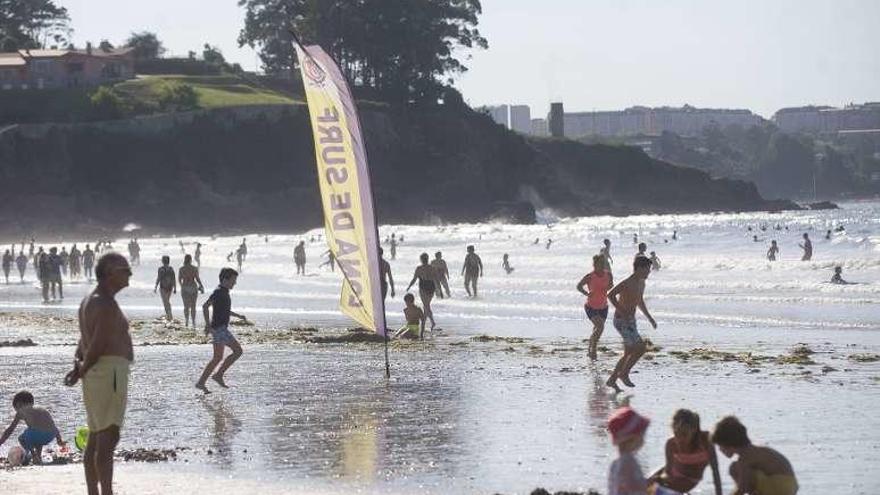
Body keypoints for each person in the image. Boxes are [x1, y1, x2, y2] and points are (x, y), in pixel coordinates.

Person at [63, 252, 134, 495]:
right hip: (109, 371)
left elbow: (85, 341)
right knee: (109, 435)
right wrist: (81, 369)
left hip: (98, 371)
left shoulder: (90, 300)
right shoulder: (104, 302)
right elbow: (98, 343)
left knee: (96, 434)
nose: (130, 274)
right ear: (109, 272)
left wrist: (78, 366)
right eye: (125, 270)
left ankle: (94, 492)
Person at [605, 256, 657, 393]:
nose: (648, 273)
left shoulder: (641, 283)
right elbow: (610, 295)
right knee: (640, 348)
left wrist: (650, 318)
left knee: (629, 352)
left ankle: (612, 379)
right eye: (647, 270)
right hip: (621, 320)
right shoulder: (628, 282)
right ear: (639, 268)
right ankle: (623, 374)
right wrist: (622, 311)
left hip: (630, 320)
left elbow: (639, 301)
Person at [711, 416, 798, 495]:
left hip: (779, 486)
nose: (719, 450)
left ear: (728, 444)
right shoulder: (757, 451)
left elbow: (742, 488)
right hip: (790, 485)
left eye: (720, 446)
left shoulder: (745, 457)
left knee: (734, 468)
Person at [196, 268, 247, 394]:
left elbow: (224, 310)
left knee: (218, 357)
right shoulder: (218, 292)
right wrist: (207, 325)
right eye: (233, 280)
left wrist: (238, 316)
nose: (234, 283)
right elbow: (205, 306)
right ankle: (217, 375)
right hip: (219, 329)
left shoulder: (224, 292)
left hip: (220, 328)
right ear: (225, 279)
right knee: (237, 351)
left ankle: (202, 382)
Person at [649, 409, 722, 495]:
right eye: (676, 433)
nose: (680, 439)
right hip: (670, 473)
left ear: (694, 430)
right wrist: (657, 479)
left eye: (684, 434)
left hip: (689, 479)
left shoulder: (705, 440)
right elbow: (668, 472)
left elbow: (715, 471)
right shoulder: (671, 443)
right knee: (644, 486)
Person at [0, 391, 66, 465]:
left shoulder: (21, 411)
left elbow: (10, 429)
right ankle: (38, 457)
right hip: (51, 435)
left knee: (23, 437)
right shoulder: (40, 409)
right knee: (35, 436)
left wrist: (1, 442)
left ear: (19, 404)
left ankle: (32, 455)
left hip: (39, 434)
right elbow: (52, 426)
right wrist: (59, 440)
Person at [607, 406, 650, 495]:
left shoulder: (615, 463)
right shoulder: (629, 463)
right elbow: (635, 490)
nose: (643, 439)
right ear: (632, 439)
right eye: (642, 435)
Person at [577, 255, 613, 361]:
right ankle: (593, 349)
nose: (602, 266)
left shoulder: (608, 274)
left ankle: (590, 348)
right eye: (599, 264)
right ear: (594, 264)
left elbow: (611, 285)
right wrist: (587, 293)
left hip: (603, 307)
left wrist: (607, 287)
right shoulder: (590, 276)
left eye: (603, 264)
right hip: (591, 307)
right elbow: (579, 286)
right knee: (600, 328)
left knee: (596, 329)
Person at [406, 253, 442, 330]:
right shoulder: (432, 268)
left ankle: (432, 322)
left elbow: (414, 279)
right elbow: (437, 280)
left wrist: (409, 286)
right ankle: (425, 324)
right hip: (431, 287)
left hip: (423, 287)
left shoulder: (419, 268)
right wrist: (440, 290)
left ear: (421, 259)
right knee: (426, 305)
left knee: (426, 305)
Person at [179, 254, 205, 327]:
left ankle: (187, 321)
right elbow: (197, 278)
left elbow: (179, 279)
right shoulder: (194, 268)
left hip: (185, 287)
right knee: (193, 306)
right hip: (193, 287)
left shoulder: (181, 269)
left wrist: (182, 286)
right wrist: (201, 286)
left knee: (186, 306)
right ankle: (193, 322)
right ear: (191, 260)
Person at [154, 255, 177, 322]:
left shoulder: (160, 269)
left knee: (165, 301)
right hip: (170, 287)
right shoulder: (171, 269)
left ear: (163, 261)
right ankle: (168, 315)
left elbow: (159, 278)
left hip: (163, 287)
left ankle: (169, 315)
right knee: (166, 301)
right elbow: (173, 279)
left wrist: (155, 286)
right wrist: (175, 288)